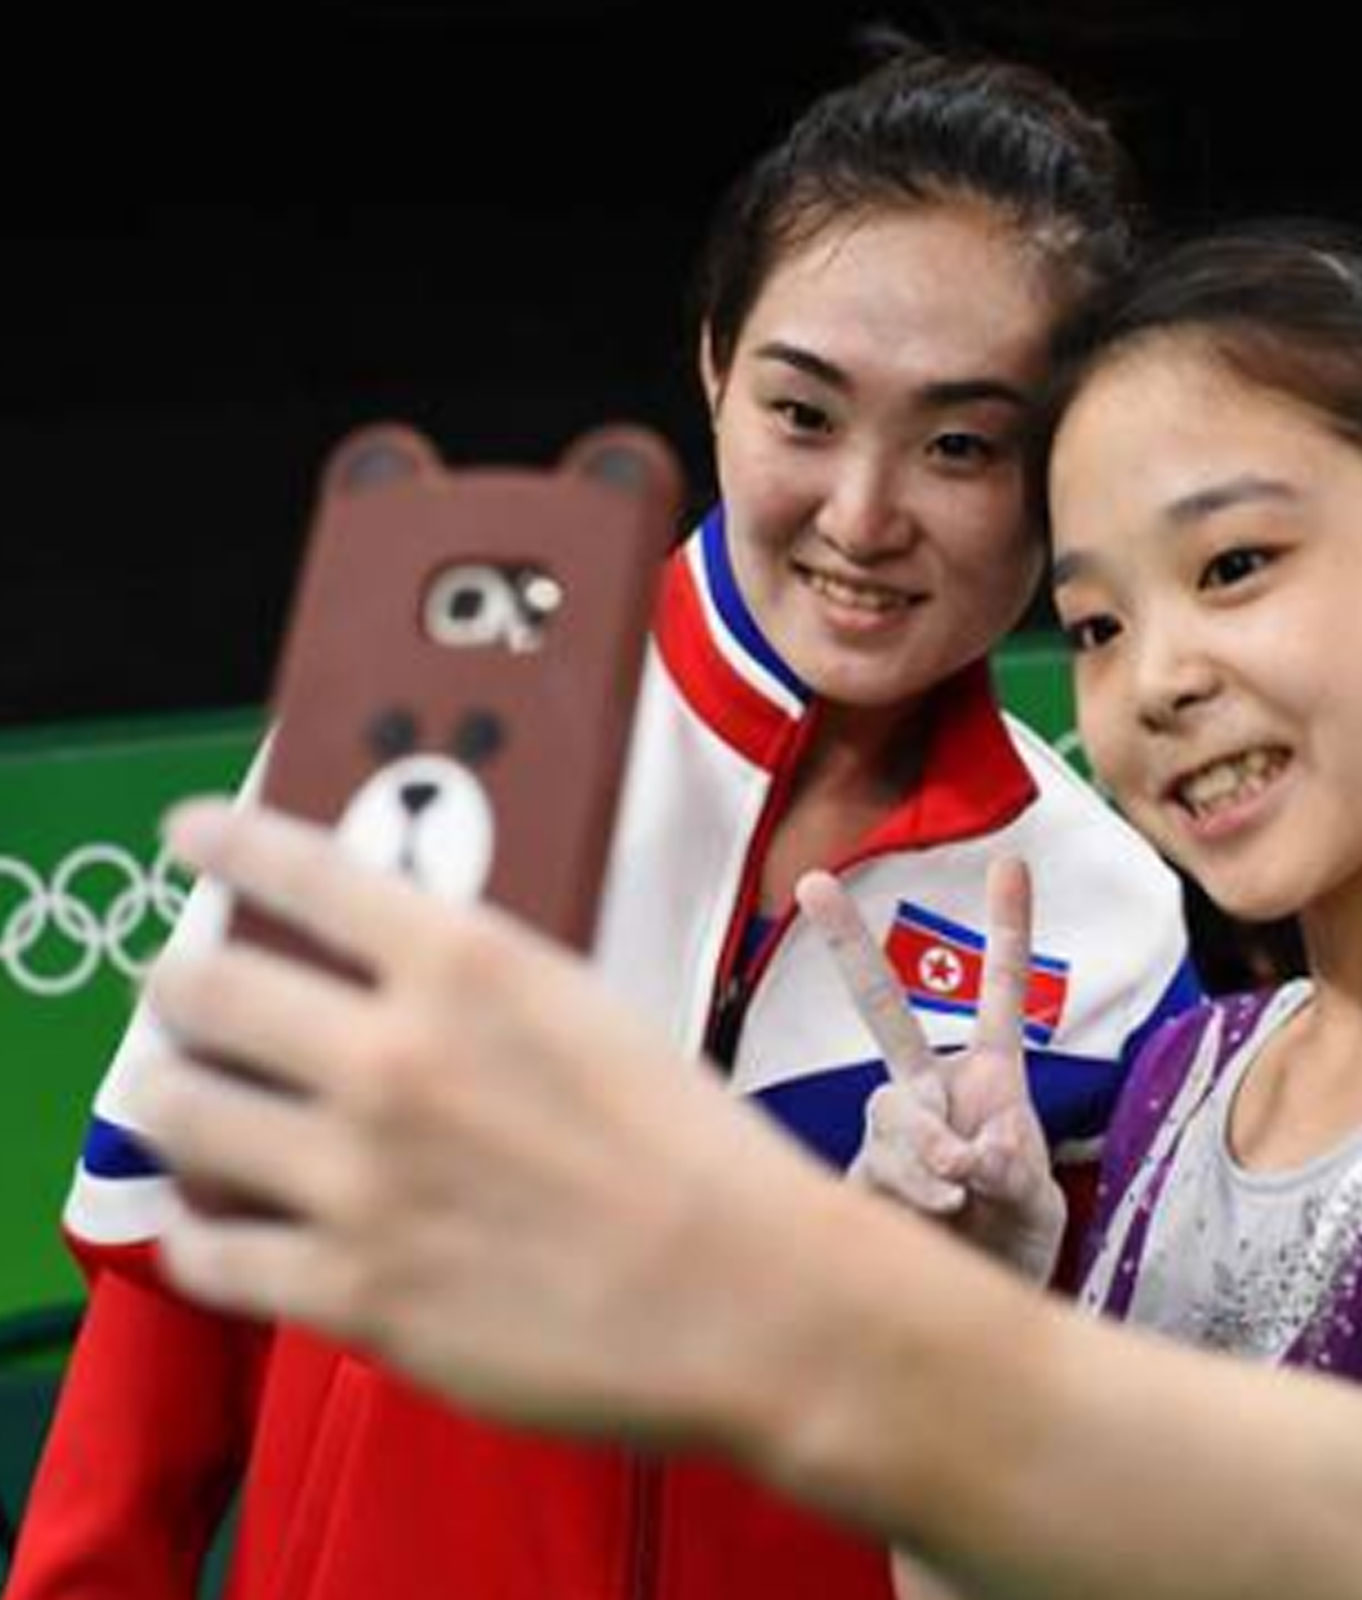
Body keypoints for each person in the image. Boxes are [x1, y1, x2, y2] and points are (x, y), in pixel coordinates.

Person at [123, 219, 1362, 1600]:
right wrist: (981, 1293)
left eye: (1235, 568)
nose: (1163, 682)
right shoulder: (1198, 1074)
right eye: (1097, 624)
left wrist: (842, 1338)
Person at [9, 40, 1196, 1600]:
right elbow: (180, 1258)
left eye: (962, 445)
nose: (861, 515)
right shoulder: (436, 710)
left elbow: (1084, 1505)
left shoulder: (1105, 912)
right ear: (714, 366)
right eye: (803, 412)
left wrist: (994, 1304)